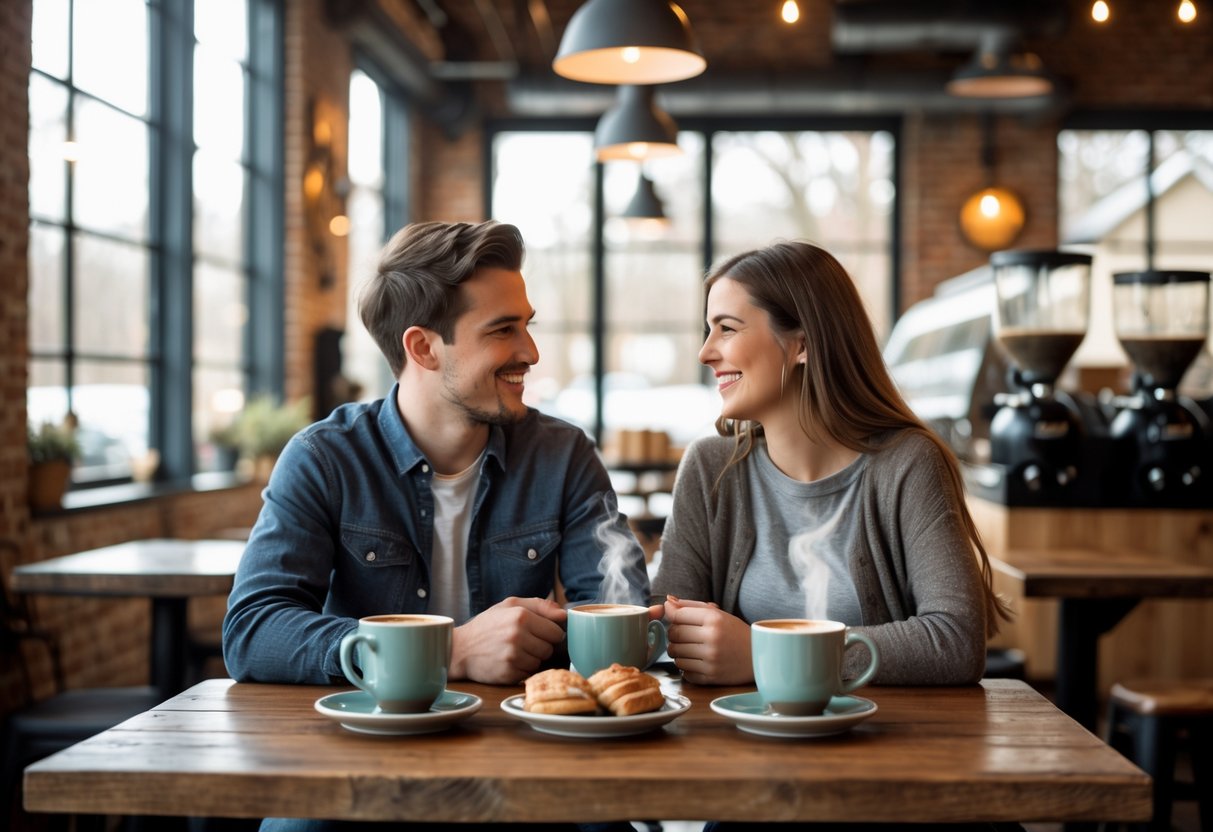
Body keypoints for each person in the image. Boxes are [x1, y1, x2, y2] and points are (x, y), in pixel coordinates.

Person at [223, 220, 653, 832]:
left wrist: (587, 636)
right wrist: (448, 652)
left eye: (527, 324)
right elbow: (253, 629)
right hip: (363, 754)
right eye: (504, 330)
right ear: (423, 348)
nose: (530, 352)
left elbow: (618, 614)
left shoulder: (562, 455)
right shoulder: (324, 457)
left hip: (530, 752)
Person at [653, 240, 1011, 691]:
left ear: (800, 345)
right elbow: (667, 622)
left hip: (881, 745)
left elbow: (956, 642)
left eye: (726, 329)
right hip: (739, 743)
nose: (705, 352)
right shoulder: (710, 467)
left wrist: (767, 656)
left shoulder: (907, 465)